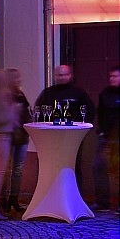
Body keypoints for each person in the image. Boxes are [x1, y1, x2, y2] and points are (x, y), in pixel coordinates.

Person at [36, 63, 99, 203]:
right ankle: (54, 197)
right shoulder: (48, 93)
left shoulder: (79, 93)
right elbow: (39, 110)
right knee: (53, 166)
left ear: (70, 75)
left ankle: (75, 197)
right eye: (59, 75)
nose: (62, 77)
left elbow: (89, 110)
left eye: (65, 74)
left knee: (73, 165)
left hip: (73, 137)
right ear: (55, 76)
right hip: (52, 136)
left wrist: (83, 127)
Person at [0, 68, 30, 219]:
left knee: (1, 170)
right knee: (0, 171)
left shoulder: (1, 93)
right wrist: (12, 111)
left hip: (3, 135)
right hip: (2, 135)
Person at [96, 66, 119, 212]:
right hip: (106, 136)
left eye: (115, 76)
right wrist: (101, 131)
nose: (112, 79)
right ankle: (103, 202)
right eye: (111, 76)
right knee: (98, 166)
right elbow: (100, 113)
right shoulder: (105, 94)